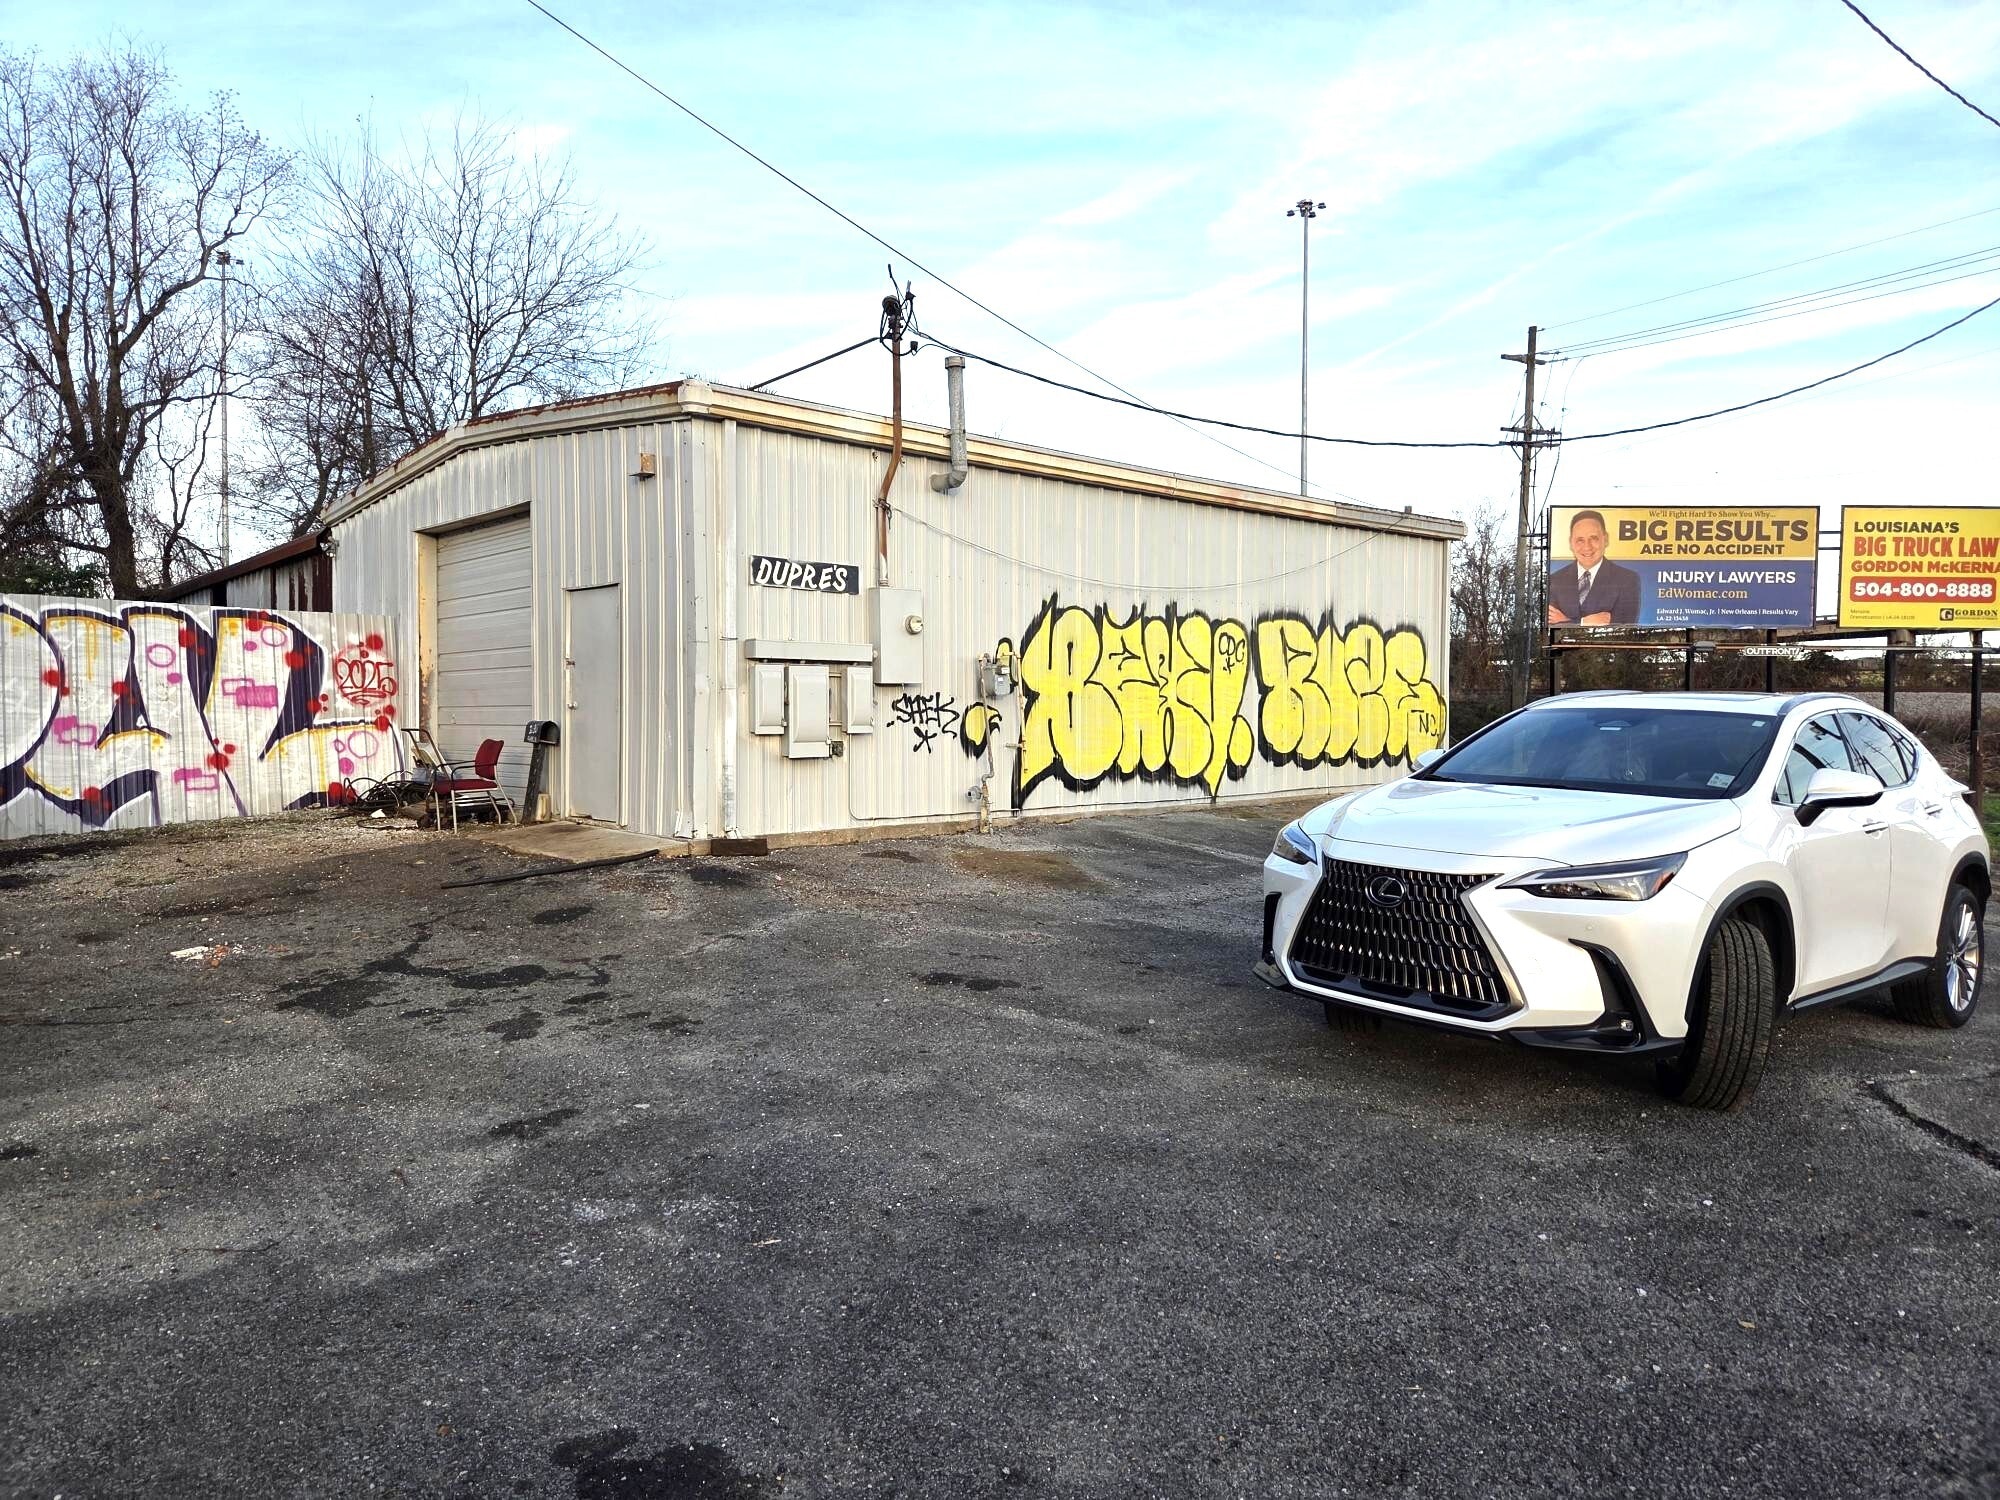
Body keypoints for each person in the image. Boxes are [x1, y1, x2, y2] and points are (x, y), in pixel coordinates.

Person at [1547, 510, 1640, 625]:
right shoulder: (1554, 580)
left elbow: (1624, 629)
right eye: (1580, 540)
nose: (1587, 547)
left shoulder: (1627, 580)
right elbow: (1550, 627)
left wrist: (1566, 621)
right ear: (1571, 543)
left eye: (1594, 538)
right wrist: (1584, 622)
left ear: (1605, 539)